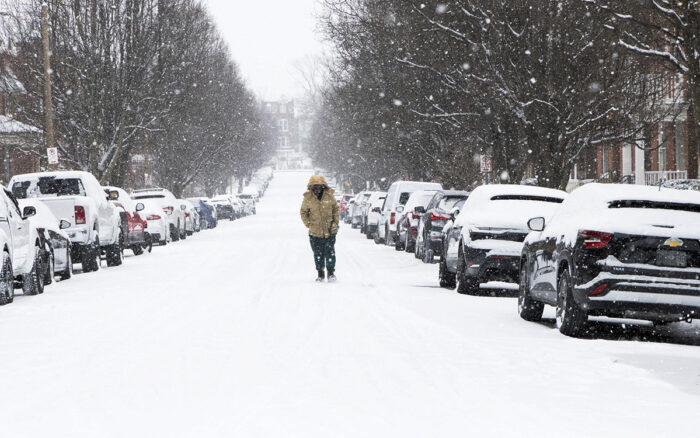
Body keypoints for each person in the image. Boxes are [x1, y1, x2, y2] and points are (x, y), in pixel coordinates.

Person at [300, 175, 339, 282]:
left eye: (319, 185)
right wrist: (309, 224)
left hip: (330, 231)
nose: (317, 187)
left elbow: (335, 209)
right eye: (314, 185)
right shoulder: (308, 198)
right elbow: (303, 212)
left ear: (323, 186)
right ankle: (320, 274)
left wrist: (335, 223)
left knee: (330, 252)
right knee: (318, 254)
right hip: (314, 233)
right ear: (311, 186)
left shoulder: (329, 196)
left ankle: (331, 273)